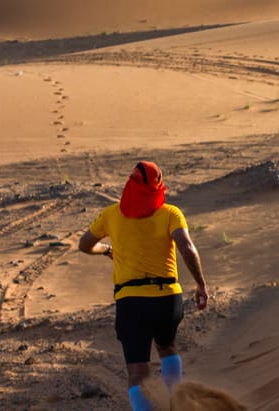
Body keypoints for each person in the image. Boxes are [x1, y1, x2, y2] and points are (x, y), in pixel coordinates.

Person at [78, 161, 208, 411]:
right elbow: (187, 247)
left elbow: (84, 245)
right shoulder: (171, 213)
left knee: (138, 371)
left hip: (131, 301)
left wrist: (107, 250)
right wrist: (201, 284)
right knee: (167, 347)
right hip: (168, 299)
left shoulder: (111, 215)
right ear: (159, 186)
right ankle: (177, 404)